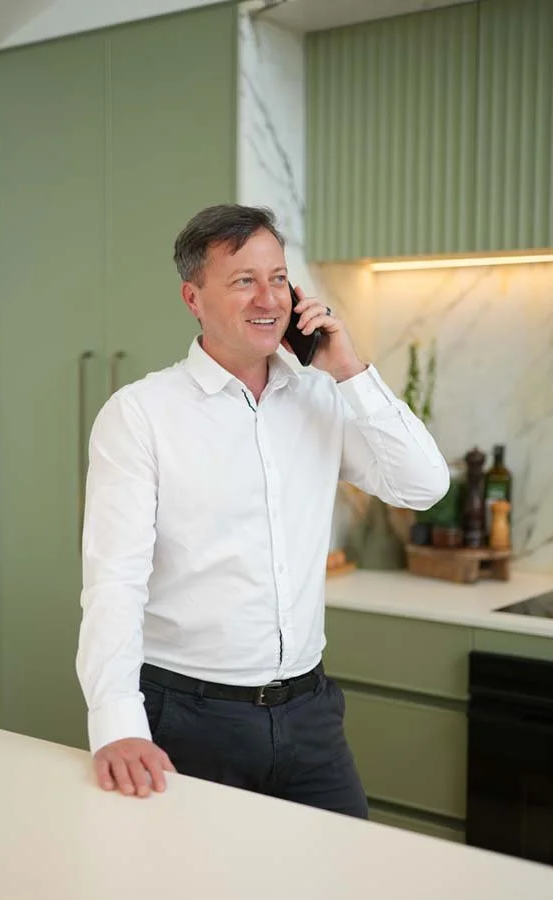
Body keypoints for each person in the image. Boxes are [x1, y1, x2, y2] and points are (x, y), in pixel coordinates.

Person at [76, 204, 449, 818]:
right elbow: (114, 582)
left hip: (311, 717)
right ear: (193, 297)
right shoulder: (139, 413)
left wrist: (350, 370)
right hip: (189, 718)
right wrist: (117, 722)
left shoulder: (321, 396)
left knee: (342, 879)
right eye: (243, 280)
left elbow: (424, 486)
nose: (267, 298)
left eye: (277, 278)